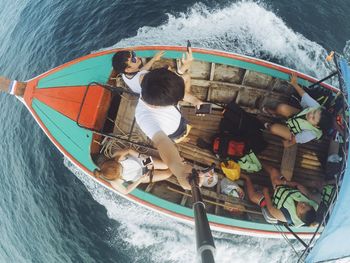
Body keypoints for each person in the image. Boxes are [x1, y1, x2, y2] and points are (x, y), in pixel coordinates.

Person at [135, 48, 203, 190]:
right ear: (156, 105)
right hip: (173, 133)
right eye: (175, 101)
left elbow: (182, 93)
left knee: (184, 128)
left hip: (179, 119)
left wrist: (195, 100)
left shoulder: (148, 78)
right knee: (179, 137)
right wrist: (178, 171)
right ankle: (182, 138)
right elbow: (162, 142)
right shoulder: (144, 118)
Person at [264, 73, 333, 147]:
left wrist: (288, 144)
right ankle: (275, 113)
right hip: (297, 116)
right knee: (281, 108)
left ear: (316, 126)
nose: (310, 114)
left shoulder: (310, 134)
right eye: (314, 112)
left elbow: (295, 140)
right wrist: (294, 84)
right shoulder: (315, 107)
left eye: (313, 118)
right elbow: (304, 95)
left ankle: (271, 126)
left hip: (294, 131)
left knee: (273, 128)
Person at [240, 165, 318, 227]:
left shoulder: (284, 216)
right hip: (283, 188)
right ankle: (258, 164)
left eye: (303, 207)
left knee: (253, 197)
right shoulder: (307, 197)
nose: (303, 204)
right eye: (307, 204)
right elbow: (297, 185)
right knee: (273, 170)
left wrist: (266, 192)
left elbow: (271, 208)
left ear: (298, 215)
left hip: (274, 201)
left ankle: (247, 178)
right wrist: (283, 182)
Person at [93, 148, 172, 195]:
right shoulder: (114, 182)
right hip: (142, 176)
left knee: (167, 165)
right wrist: (140, 180)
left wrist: (141, 157)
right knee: (167, 174)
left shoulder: (117, 156)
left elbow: (129, 150)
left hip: (143, 161)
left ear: (115, 162)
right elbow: (126, 191)